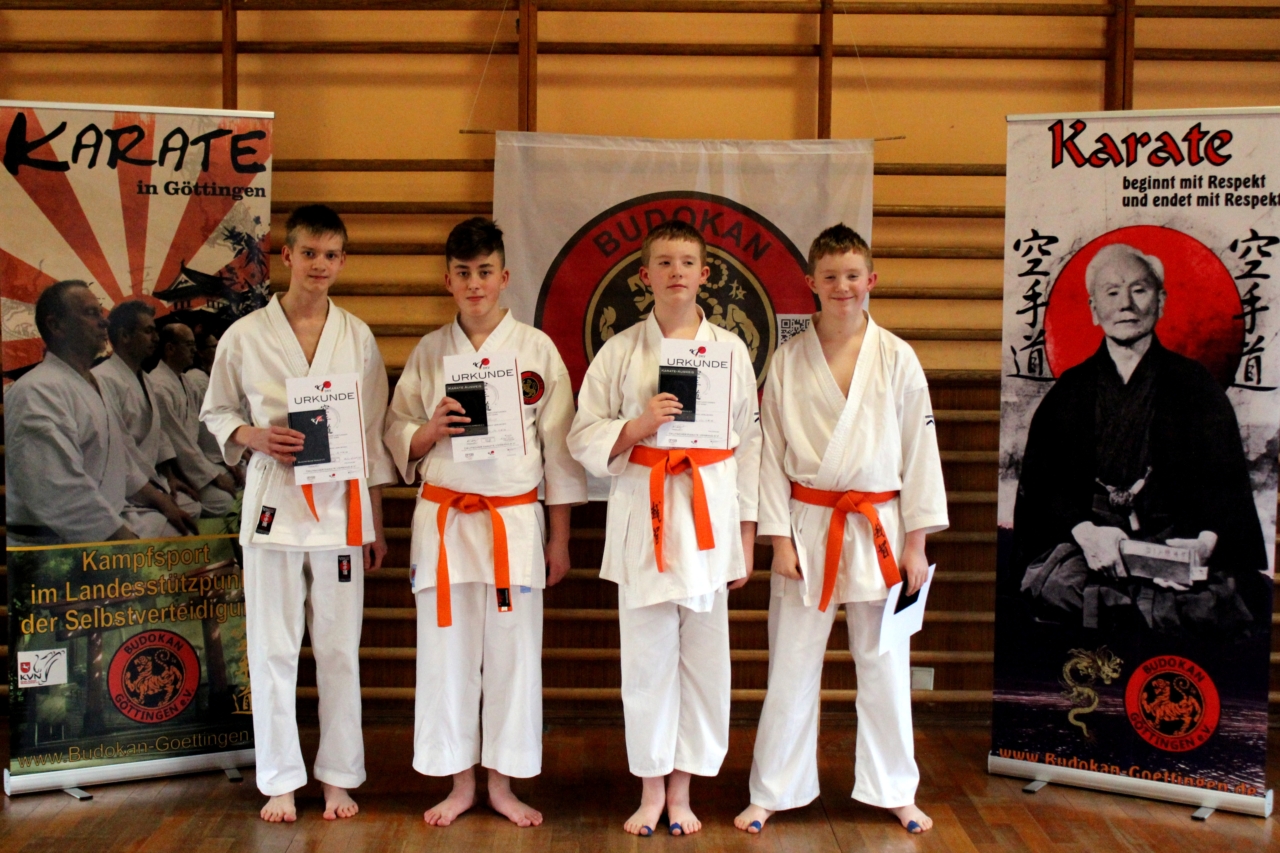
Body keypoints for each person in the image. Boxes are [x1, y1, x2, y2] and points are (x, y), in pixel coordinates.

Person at [733, 225, 947, 835]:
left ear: (870, 280)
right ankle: (772, 790)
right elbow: (770, 455)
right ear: (811, 283)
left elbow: (920, 453)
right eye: (830, 277)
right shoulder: (788, 358)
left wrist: (916, 545)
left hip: (881, 526)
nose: (843, 287)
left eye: (853, 276)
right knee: (792, 665)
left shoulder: (898, 357)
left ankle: (896, 790)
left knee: (885, 665)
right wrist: (778, 540)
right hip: (808, 524)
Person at [384, 217, 587, 828]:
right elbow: (396, 432)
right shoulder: (429, 352)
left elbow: (560, 453)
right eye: (463, 273)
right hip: (445, 521)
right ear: (447, 280)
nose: (475, 284)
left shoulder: (537, 350)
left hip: (513, 522)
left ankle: (502, 782)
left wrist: (559, 540)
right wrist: (427, 432)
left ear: (505, 276)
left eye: (485, 272)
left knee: (513, 656)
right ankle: (459, 781)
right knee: (444, 654)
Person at [201, 204, 396, 823]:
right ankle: (280, 780)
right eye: (309, 253)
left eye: (331, 255)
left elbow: (371, 435)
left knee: (339, 650)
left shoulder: (356, 336)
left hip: (340, 510)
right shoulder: (245, 334)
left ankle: (338, 776)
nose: (320, 265)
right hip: (273, 508)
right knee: (273, 649)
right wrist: (253, 436)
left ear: (342, 261)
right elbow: (216, 412)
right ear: (287, 256)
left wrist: (373, 522)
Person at [567, 219, 761, 838]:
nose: (676, 272)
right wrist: (636, 426)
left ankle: (684, 790)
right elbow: (580, 434)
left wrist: (746, 537)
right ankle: (651, 789)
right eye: (664, 262)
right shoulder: (620, 350)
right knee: (646, 662)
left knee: (705, 663)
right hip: (643, 514)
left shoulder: (730, 351)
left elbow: (750, 445)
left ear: (705, 274)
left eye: (687, 262)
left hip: (709, 517)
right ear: (644, 275)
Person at [1014, 243, 1271, 636]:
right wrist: (1086, 533)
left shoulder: (1196, 386)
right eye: (1112, 292)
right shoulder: (1070, 391)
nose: (1126, 304)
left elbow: (1226, 484)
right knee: (1060, 591)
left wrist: (1203, 544)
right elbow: (1044, 486)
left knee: (1208, 606)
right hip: (1092, 547)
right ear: (1093, 309)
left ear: (1161, 301)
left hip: (1174, 544)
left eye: (1139, 290)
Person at [6, 281, 191, 545]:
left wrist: (161, 500)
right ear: (56, 325)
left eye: (100, 313)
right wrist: (121, 538)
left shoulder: (96, 384)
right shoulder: (36, 390)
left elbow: (120, 460)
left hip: (109, 518)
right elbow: (57, 488)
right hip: (55, 542)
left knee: (185, 529)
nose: (104, 322)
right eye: (91, 313)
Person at [94, 300, 203, 528]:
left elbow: (158, 433)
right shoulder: (103, 379)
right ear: (124, 336)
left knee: (193, 507)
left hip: (150, 479)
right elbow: (119, 450)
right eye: (148, 331)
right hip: (124, 488)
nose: (155, 338)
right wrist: (157, 494)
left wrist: (169, 477)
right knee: (175, 522)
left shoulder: (144, 378)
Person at [151, 322, 238, 517]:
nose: (193, 350)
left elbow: (206, 426)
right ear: (170, 348)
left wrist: (226, 458)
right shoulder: (159, 386)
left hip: (197, 460)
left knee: (240, 475)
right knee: (223, 501)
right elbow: (178, 441)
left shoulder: (186, 381)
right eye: (188, 345)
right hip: (176, 468)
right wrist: (212, 476)